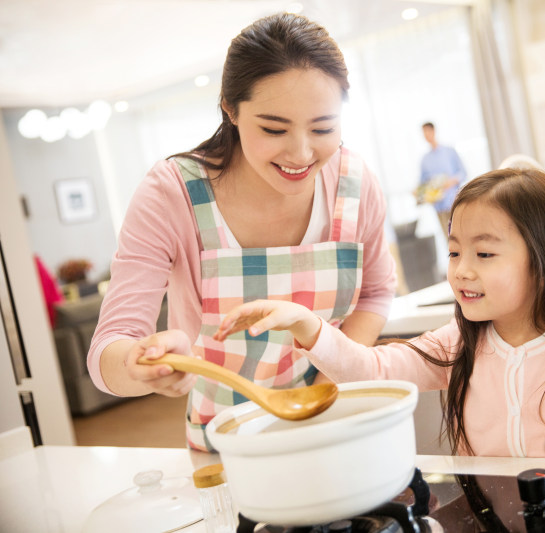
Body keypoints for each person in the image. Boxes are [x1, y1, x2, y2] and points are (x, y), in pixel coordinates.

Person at [87, 13, 397, 452]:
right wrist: (140, 364)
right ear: (230, 108)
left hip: (336, 419)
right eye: (274, 128)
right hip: (228, 441)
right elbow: (108, 350)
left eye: (324, 128)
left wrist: (333, 373)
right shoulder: (172, 193)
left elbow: (377, 293)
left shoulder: (355, 183)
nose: (302, 153)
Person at [213, 167, 545, 457]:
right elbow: (369, 369)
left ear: (544, 259)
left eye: (485, 255)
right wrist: (307, 324)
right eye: (455, 253)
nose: (462, 272)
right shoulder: (457, 344)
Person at [418, 122, 467, 236]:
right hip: (438, 205)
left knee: (462, 235)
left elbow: (463, 173)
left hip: (454, 202)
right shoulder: (425, 159)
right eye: (423, 133)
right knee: (449, 238)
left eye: (427, 131)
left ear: (434, 131)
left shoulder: (449, 152)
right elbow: (422, 183)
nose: (426, 135)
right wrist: (419, 192)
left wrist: (452, 181)